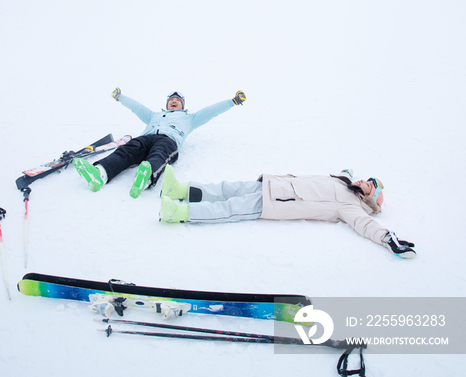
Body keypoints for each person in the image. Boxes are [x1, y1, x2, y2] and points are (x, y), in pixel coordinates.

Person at [159, 167, 416, 258]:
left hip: (278, 203)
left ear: (370, 198)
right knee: (228, 189)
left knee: (229, 208)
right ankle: (180, 188)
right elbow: (345, 174)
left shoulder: (350, 207)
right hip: (274, 183)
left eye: (368, 185)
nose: (362, 181)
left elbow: (365, 225)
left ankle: (179, 213)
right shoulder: (342, 181)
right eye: (365, 179)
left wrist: (386, 238)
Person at [73, 89, 246, 198]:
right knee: (126, 151)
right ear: (167, 104)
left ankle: (146, 177)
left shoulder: (189, 118)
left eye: (178, 100)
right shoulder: (154, 116)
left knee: (159, 155)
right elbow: (138, 108)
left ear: (182, 105)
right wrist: (121, 97)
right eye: (171, 99)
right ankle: (100, 174)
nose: (174, 101)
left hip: (168, 140)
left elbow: (211, 111)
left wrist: (232, 101)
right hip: (146, 137)